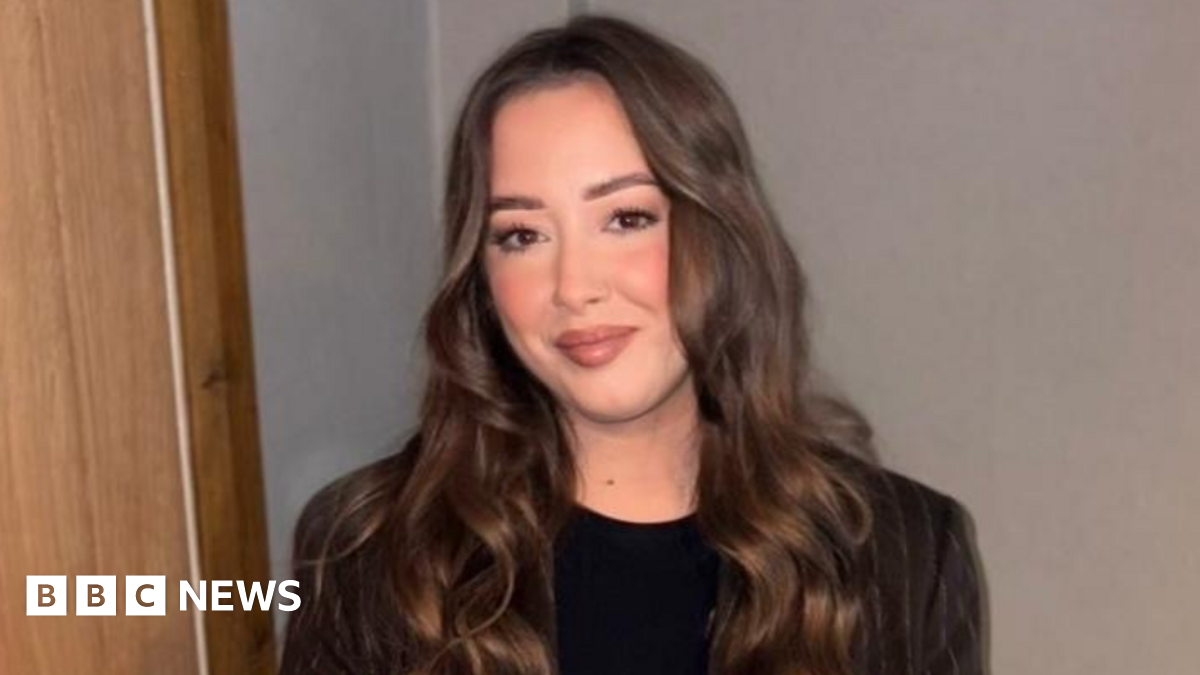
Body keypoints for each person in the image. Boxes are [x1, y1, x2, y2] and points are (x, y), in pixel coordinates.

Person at [279, 14, 984, 675]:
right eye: (522, 235)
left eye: (626, 218)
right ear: (480, 278)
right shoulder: (366, 551)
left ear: (720, 235)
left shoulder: (908, 553)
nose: (574, 285)